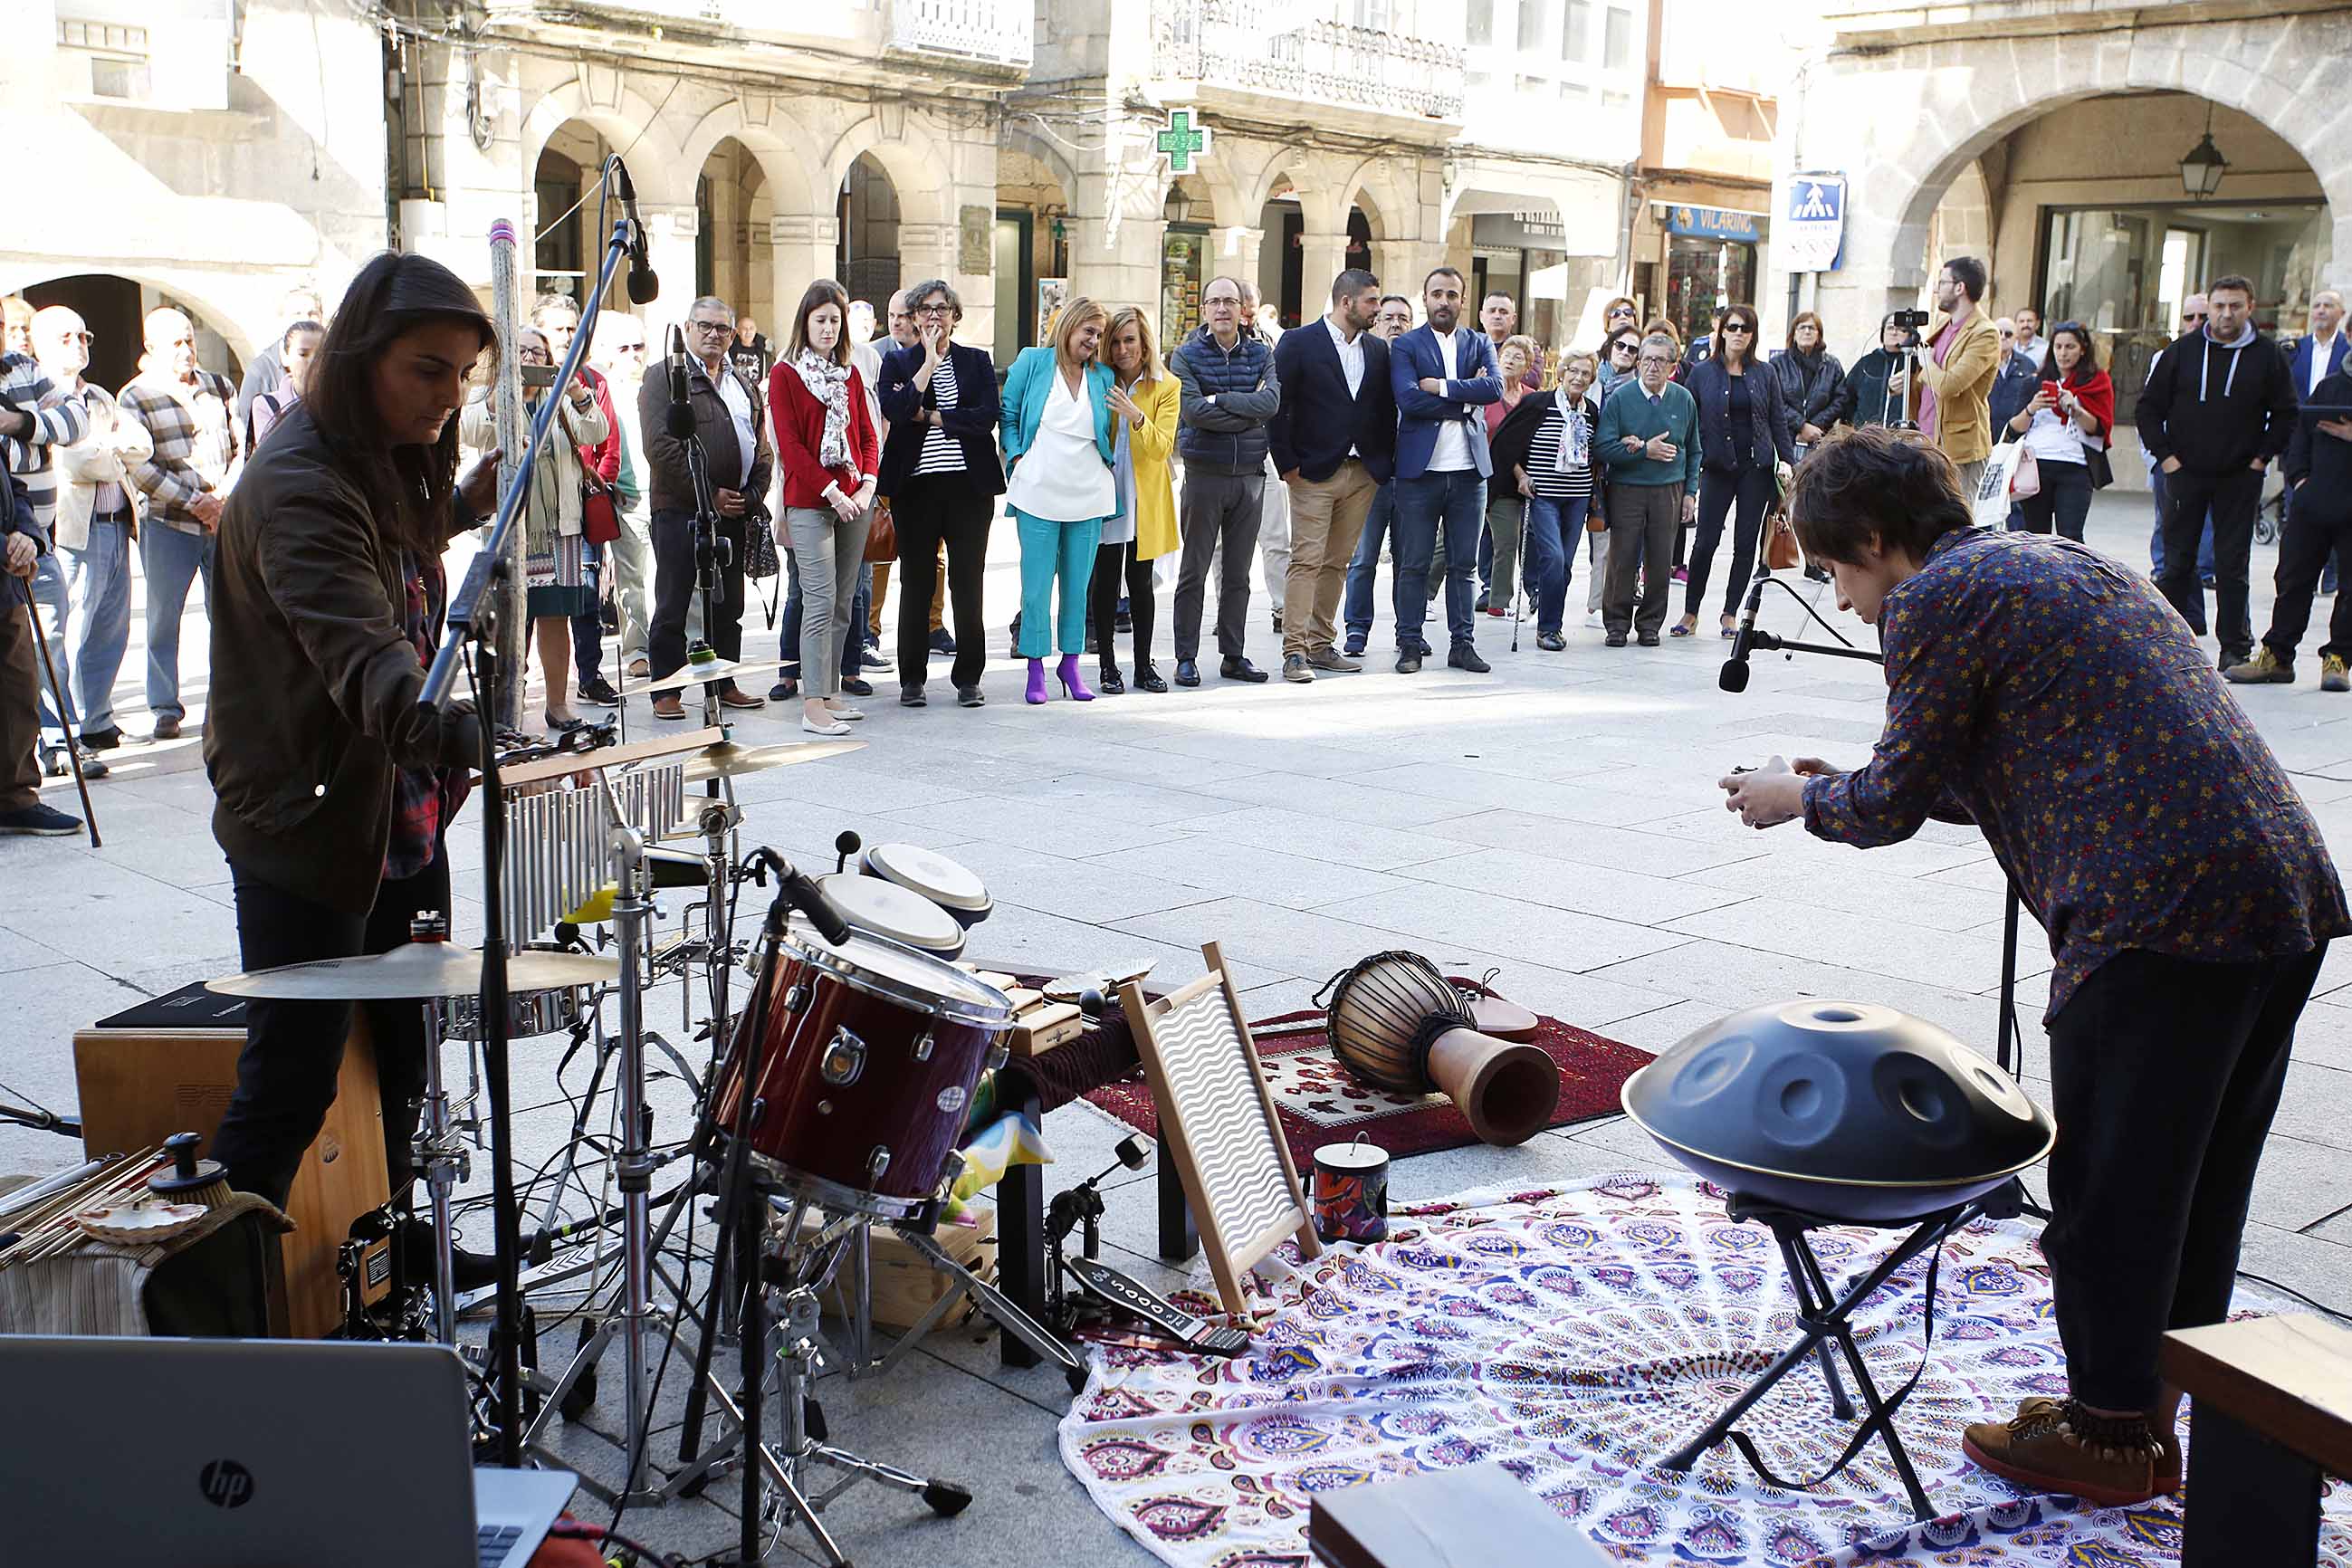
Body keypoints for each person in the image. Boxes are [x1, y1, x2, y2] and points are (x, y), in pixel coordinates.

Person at [1719, 425, 2347, 1511]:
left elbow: (1891, 806)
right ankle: (2141, 1413)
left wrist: (1801, 797)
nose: (1847, 599)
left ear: (1876, 539)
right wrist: (1854, 777)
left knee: (2113, 1190)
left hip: (2157, 920)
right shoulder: (2051, 555)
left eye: (1836, 571)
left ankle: (2110, 1436)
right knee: (2193, 1184)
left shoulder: (1933, 601)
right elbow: (2019, 756)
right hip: (2273, 894)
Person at [204, 252, 507, 1295]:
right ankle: (219, 1303)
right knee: (291, 1077)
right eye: (428, 370)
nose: (448, 395)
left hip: (393, 806)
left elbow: (392, 544)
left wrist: (463, 508)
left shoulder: (369, 454)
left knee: (407, 1055)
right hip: (309, 820)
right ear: (360, 358)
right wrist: (462, 731)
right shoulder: (295, 483)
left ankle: (397, 1248)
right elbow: (365, 654)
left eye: (463, 374)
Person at [2138, 272, 2299, 668]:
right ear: (2208, 307)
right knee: (2176, 562)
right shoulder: (2182, 351)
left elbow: (2285, 413)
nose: (2226, 314)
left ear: (2250, 308)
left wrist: (2260, 459)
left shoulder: (2267, 355)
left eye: (2235, 306)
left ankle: (2234, 647)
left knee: (2231, 564)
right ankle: (2168, 643)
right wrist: (2167, 458)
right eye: (2219, 306)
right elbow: (2147, 408)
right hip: (2184, 472)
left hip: (2238, 476)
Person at [460, 326, 607, 732]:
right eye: (521, 351)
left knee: (556, 616)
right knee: (509, 620)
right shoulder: (485, 393)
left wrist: (576, 391)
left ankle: (558, 705)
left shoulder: (557, 394)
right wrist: (501, 395)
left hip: (560, 526)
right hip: (510, 524)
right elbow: (471, 430)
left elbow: (597, 431)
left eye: (538, 353)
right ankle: (510, 707)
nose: (530, 359)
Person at [641, 294, 772, 719]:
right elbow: (660, 446)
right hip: (680, 509)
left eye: (722, 328)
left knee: (728, 604)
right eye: (705, 327)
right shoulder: (664, 377)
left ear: (733, 335)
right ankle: (667, 687)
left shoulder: (744, 383)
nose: (714, 335)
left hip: (734, 512)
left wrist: (750, 497)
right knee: (674, 599)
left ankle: (723, 679)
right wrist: (709, 494)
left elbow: (762, 446)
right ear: (688, 329)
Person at [878, 279, 1002, 709]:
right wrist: (928, 362)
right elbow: (895, 411)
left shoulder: (976, 361)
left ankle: (969, 677)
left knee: (968, 583)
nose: (935, 316)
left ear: (954, 315)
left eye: (943, 308)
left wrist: (929, 415)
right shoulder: (897, 364)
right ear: (913, 318)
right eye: (926, 310)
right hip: (916, 488)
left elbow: (984, 417)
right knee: (915, 583)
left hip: (969, 489)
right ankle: (912, 679)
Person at [120, 307, 242, 741]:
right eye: (175, 342)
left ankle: (227, 700)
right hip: (170, 523)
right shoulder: (135, 397)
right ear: (151, 348)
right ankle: (165, 707)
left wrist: (224, 495)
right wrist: (196, 502)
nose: (186, 349)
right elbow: (141, 469)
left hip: (222, 520)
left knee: (228, 613)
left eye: (189, 339)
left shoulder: (218, 385)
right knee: (162, 617)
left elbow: (240, 443)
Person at [1270, 268, 1393, 684]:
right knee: (1306, 559)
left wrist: (1381, 465)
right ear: (1347, 303)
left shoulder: (1377, 350)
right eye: (1372, 302)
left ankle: (1322, 645)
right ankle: (1294, 652)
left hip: (1362, 474)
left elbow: (1381, 409)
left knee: (1338, 562)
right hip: (1312, 473)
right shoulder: (1298, 342)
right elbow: (1277, 405)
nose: (1378, 309)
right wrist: (1288, 464)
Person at [36, 306, 148, 761]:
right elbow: (71, 462)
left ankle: (96, 720)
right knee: (68, 633)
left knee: (110, 629)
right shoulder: (41, 398)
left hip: (117, 522)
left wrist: (102, 452)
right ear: (42, 345)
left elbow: (142, 444)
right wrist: (108, 453)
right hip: (73, 531)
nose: (79, 344)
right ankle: (59, 732)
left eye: (84, 335)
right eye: (66, 337)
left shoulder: (100, 396)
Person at [769, 280, 879, 736]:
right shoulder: (785, 374)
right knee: (816, 599)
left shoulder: (850, 374)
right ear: (805, 323)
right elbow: (790, 447)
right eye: (821, 320)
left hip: (855, 500)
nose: (829, 328)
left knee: (842, 600)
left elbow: (869, 437)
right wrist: (832, 490)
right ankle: (812, 703)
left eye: (835, 320)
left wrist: (866, 486)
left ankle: (830, 691)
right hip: (812, 501)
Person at [1000, 296, 1115, 705]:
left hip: (1088, 491)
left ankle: (1071, 663)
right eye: (1089, 332)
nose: (1094, 342)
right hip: (1038, 490)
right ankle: (1035, 666)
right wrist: (1016, 456)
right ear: (1069, 326)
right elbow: (1009, 412)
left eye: (1099, 335)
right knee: (1035, 587)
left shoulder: (1101, 376)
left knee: (1076, 586)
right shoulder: (1033, 361)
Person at [1168, 274, 1280, 686]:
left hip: (1249, 476)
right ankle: (1186, 656)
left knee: (1238, 575)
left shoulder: (1261, 353)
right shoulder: (1186, 356)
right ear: (1204, 310)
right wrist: (1245, 411)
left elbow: (1270, 403)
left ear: (1242, 309)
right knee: (1194, 570)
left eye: (1229, 301)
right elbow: (1194, 411)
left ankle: (1233, 655)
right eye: (1214, 301)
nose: (1222, 309)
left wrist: (1223, 401)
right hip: (1204, 475)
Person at [1388, 266, 1501, 675]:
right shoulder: (1408, 346)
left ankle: (1462, 644)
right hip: (1421, 473)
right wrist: (1465, 398)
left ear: (1462, 300)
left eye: (1452, 295)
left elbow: (1495, 389)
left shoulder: (1479, 342)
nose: (1444, 301)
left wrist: (1441, 386)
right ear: (1425, 299)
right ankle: (1409, 643)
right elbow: (1408, 399)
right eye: (1437, 294)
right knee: (1414, 563)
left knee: (1464, 565)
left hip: (1470, 473)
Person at [2, 311, 98, 779]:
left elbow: (77, 420)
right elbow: (19, 459)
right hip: (8, 540)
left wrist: (16, 422)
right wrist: (37, 436)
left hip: (34, 538)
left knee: (48, 641)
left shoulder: (21, 368)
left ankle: (59, 742)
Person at [530, 294, 625, 709]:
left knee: (578, 603)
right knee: (522, 614)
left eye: (572, 328)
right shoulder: (508, 389)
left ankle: (579, 684)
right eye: (557, 329)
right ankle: (512, 702)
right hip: (527, 519)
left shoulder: (586, 383)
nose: (567, 337)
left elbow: (604, 437)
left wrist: (595, 489)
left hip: (576, 509)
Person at [2229, 372, 2352, 691]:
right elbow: (2300, 434)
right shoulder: (2330, 387)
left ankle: (2338, 659)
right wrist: (2300, 481)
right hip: (2313, 503)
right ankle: (2278, 656)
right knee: (2292, 579)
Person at [1678, 304, 1794, 639]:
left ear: (1753, 335)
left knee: (1745, 545)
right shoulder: (1702, 373)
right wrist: (1691, 462)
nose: (1739, 333)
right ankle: (1690, 612)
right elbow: (1689, 418)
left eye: (1746, 328)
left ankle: (1730, 613)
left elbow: (1778, 420)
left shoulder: (1765, 373)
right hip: (1716, 467)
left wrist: (1786, 461)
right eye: (1733, 327)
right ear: (1722, 332)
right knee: (1704, 543)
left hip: (1755, 468)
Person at [1596, 331, 1701, 647]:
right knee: (1622, 557)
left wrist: (1690, 492)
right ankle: (1616, 623)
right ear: (1638, 363)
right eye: (1647, 360)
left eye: (1660, 360)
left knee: (1660, 560)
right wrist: (1644, 451)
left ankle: (1650, 624)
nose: (1652, 366)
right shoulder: (1621, 398)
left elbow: (1694, 449)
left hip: (1669, 489)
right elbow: (1602, 448)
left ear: (1673, 365)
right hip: (1627, 488)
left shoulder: (1683, 399)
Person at [1095, 306, 1179, 694]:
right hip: (1104, 493)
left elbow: (1163, 449)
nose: (1122, 349)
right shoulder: (1099, 380)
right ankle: (1108, 667)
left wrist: (1136, 417)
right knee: (1106, 580)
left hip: (1145, 497)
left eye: (1129, 340)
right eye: (1114, 341)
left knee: (1140, 583)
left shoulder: (1166, 386)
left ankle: (1144, 666)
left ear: (1145, 343)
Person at [1493, 347, 1598, 652]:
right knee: (1552, 558)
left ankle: (1554, 624)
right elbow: (1506, 444)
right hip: (1544, 495)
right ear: (1562, 373)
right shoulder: (1538, 403)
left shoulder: (1590, 410)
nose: (1578, 377)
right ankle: (1548, 628)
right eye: (1573, 371)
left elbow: (1595, 454)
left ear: (1591, 379)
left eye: (1585, 373)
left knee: (1564, 564)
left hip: (1577, 497)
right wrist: (1520, 477)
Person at [2, 456, 81, 836]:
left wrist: (27, 536)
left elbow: (14, 490)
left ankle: (14, 799)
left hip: (6, 586)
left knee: (18, 692)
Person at [1342, 293, 1415, 658]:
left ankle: (1408, 633)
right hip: (1371, 476)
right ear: (1377, 322)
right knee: (1362, 558)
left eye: (1403, 318)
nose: (1396, 324)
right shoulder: (1367, 363)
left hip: (1414, 478)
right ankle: (1356, 630)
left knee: (1409, 560)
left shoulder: (1420, 364)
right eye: (1388, 318)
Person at [588, 312, 657, 678]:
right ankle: (637, 651)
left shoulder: (657, 383)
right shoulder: (602, 388)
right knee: (633, 581)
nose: (633, 353)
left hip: (663, 495)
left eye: (639, 346)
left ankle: (670, 642)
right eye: (624, 347)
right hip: (626, 497)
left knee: (670, 577)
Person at [2003, 321, 2113, 543]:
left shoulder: (2097, 382)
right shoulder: (2034, 382)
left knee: (2071, 537)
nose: (2063, 353)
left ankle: (2071, 579)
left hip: (2075, 467)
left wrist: (2075, 408)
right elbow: (2013, 429)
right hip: (2036, 466)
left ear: (2083, 349)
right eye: (2058, 347)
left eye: (2070, 347)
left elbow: (2099, 428)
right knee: (2034, 537)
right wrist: (2031, 408)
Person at [2145, 293, 2217, 625]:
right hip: (2171, 462)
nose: (2196, 324)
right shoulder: (2166, 356)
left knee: (2205, 541)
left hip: (2217, 466)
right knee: (2170, 534)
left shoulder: (2230, 357)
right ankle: (2176, 614)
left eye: (2203, 316)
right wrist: (2159, 458)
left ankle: (2200, 618)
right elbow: (2148, 410)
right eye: (2189, 317)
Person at [1911, 255, 2000, 499]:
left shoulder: (1985, 333)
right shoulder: (1944, 323)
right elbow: (1929, 369)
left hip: (1959, 447)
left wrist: (1926, 365)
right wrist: (1907, 379)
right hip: (1928, 441)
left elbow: (1950, 385)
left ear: (1960, 287)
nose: (1937, 289)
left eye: (1942, 283)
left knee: (1958, 524)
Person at [1468, 334, 1541, 620]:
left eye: (1518, 357)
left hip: (1515, 483)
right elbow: (1485, 437)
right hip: (1483, 474)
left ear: (1528, 367)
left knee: (1508, 541)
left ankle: (1499, 601)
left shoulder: (1531, 399)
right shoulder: (1487, 392)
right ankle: (1426, 594)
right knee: (1449, 540)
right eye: (1506, 355)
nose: (1510, 360)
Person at [1239, 281, 1292, 637]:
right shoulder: (1199, 345)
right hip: (1219, 453)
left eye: (1247, 306)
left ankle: (1282, 606)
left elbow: (1274, 396)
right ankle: (1229, 608)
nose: (1241, 312)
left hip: (1265, 446)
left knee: (1276, 535)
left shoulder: (1272, 343)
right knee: (1222, 545)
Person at [234, 285, 324, 445]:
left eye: (312, 313)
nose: (306, 319)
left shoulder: (338, 366)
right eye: (297, 313)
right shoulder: (259, 370)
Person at [1772, 311, 1846, 460]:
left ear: (1819, 335)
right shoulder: (1777, 364)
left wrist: (1814, 426)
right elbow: (1773, 400)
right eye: (1802, 328)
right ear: (1793, 334)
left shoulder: (1832, 365)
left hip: (1820, 439)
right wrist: (1801, 426)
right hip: (1784, 438)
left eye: (1812, 328)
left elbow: (1841, 400)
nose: (1807, 332)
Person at [247, 320, 324, 447]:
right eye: (303, 354)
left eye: (321, 354)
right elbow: (272, 457)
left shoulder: (338, 403)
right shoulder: (268, 405)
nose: (313, 361)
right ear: (285, 357)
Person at [1840, 312, 1918, 431]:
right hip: (1866, 436)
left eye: (1901, 329)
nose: (1894, 332)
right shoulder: (1866, 363)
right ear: (1882, 333)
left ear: (1910, 335)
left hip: (1901, 437)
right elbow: (1847, 399)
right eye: (1890, 328)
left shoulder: (1915, 364)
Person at [1985, 317, 2043, 445]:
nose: (2003, 337)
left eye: (2008, 334)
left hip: (2014, 437)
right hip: (1984, 434)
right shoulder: (1981, 362)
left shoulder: (2028, 365)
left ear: (2016, 337)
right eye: (1998, 333)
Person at [2287, 289, 2348, 400]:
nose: (2321, 310)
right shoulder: (2295, 349)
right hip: (2298, 416)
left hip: (2336, 416)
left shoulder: (2349, 350)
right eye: (2316, 306)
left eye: (2328, 306)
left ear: (2342, 313)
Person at [1480, 292, 1543, 391]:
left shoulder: (1528, 346)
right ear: (1481, 317)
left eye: (1503, 312)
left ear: (1513, 318)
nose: (1497, 316)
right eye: (1492, 311)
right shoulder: (1470, 347)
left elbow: (1533, 381)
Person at [730, 313, 773, 386]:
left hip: (757, 392)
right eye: (744, 329)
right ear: (738, 331)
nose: (748, 332)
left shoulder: (763, 351)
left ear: (755, 330)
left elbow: (770, 371)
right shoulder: (730, 349)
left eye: (751, 328)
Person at [2012, 304, 2051, 370]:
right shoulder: (2009, 346)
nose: (2025, 324)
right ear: (2015, 325)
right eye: (2022, 321)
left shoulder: (2046, 348)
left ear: (2037, 324)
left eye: (2029, 321)